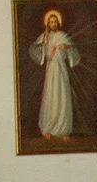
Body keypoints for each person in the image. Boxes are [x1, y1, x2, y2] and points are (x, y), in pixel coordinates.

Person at [28, 9, 81, 140]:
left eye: (55, 21)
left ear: (58, 23)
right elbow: (35, 48)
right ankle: (48, 129)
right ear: (48, 24)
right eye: (51, 22)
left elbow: (74, 51)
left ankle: (63, 130)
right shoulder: (46, 36)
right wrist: (44, 45)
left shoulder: (63, 35)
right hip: (51, 70)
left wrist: (66, 48)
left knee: (62, 97)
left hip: (61, 71)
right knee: (50, 97)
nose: (53, 24)